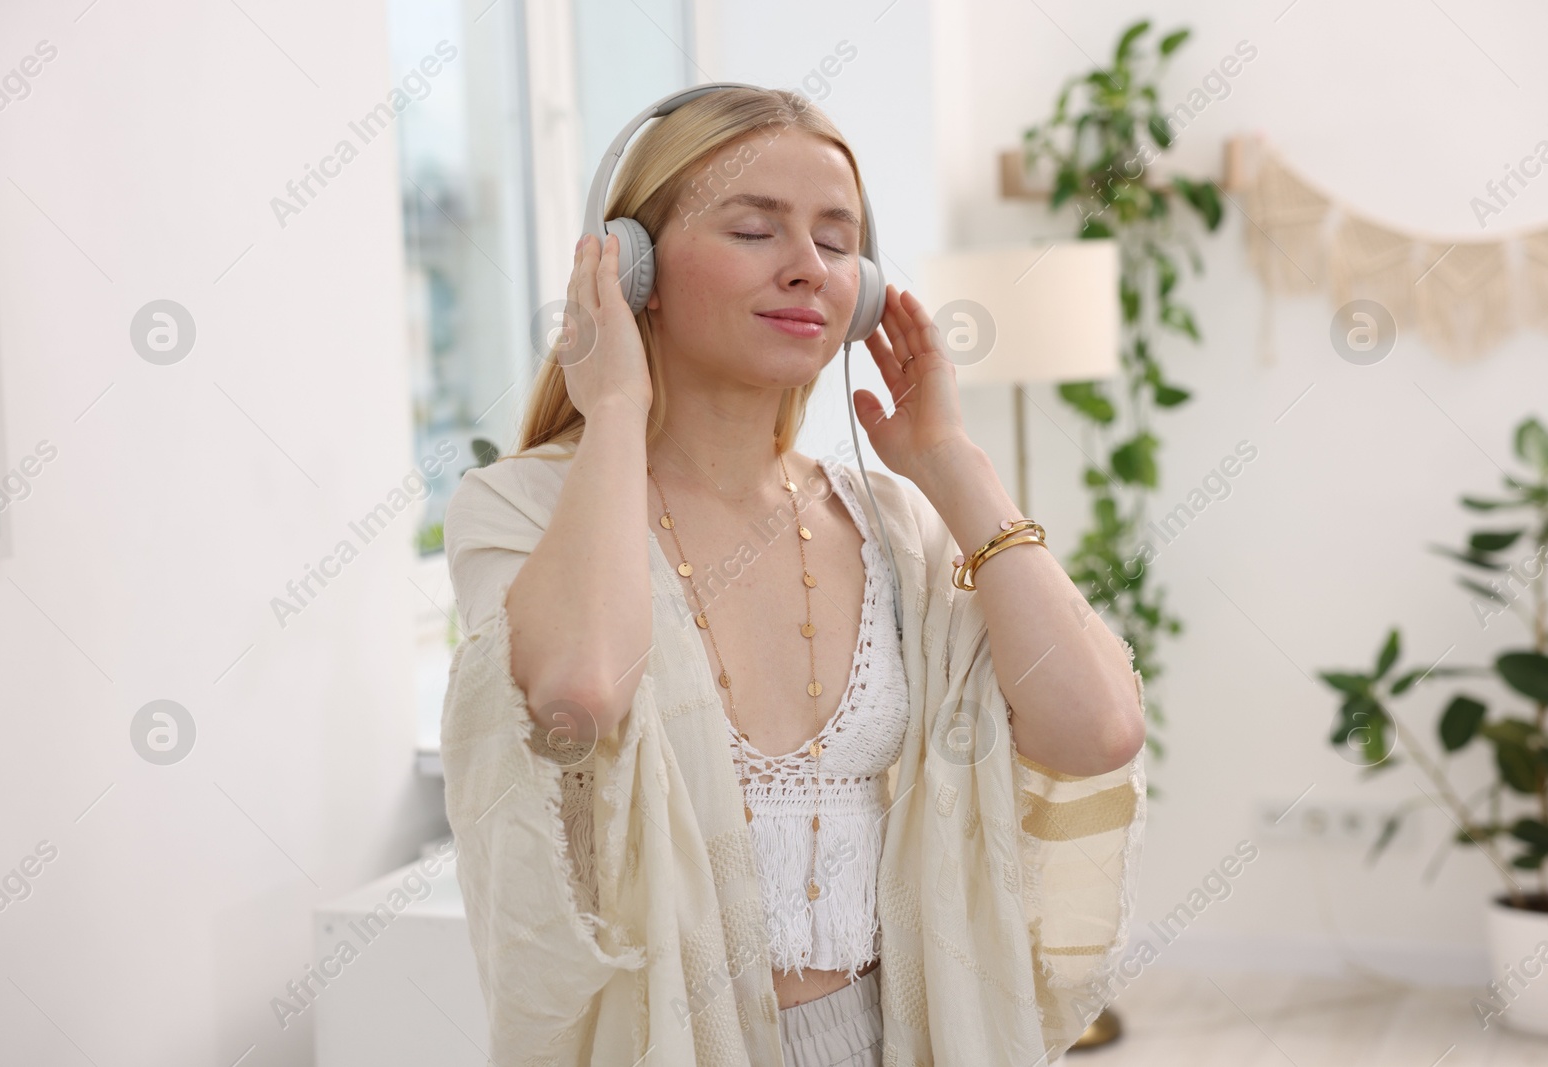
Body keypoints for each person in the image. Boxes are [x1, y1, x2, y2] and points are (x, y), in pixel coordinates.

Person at [441, 85, 1148, 1067]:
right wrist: (609, 409)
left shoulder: (895, 521)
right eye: (753, 228)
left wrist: (950, 460)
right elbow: (577, 692)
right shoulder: (519, 508)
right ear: (630, 267)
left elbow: (1097, 727)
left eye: (835, 237)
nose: (807, 268)